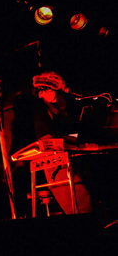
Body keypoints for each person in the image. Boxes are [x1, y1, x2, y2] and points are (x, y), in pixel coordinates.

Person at [31, 71, 93, 214]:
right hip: (56, 156)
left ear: (56, 89)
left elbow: (79, 129)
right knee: (73, 196)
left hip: (77, 152)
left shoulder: (71, 104)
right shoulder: (40, 109)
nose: (41, 94)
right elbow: (45, 137)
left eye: (45, 90)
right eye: (39, 91)